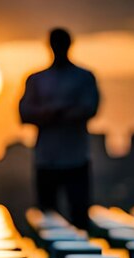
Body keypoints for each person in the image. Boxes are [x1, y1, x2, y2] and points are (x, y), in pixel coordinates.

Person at [19, 28, 99, 230]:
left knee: (80, 218)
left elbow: (90, 108)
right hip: (47, 159)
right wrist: (54, 113)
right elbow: (24, 112)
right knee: (46, 220)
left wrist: (57, 113)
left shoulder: (83, 77)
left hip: (76, 159)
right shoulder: (37, 79)